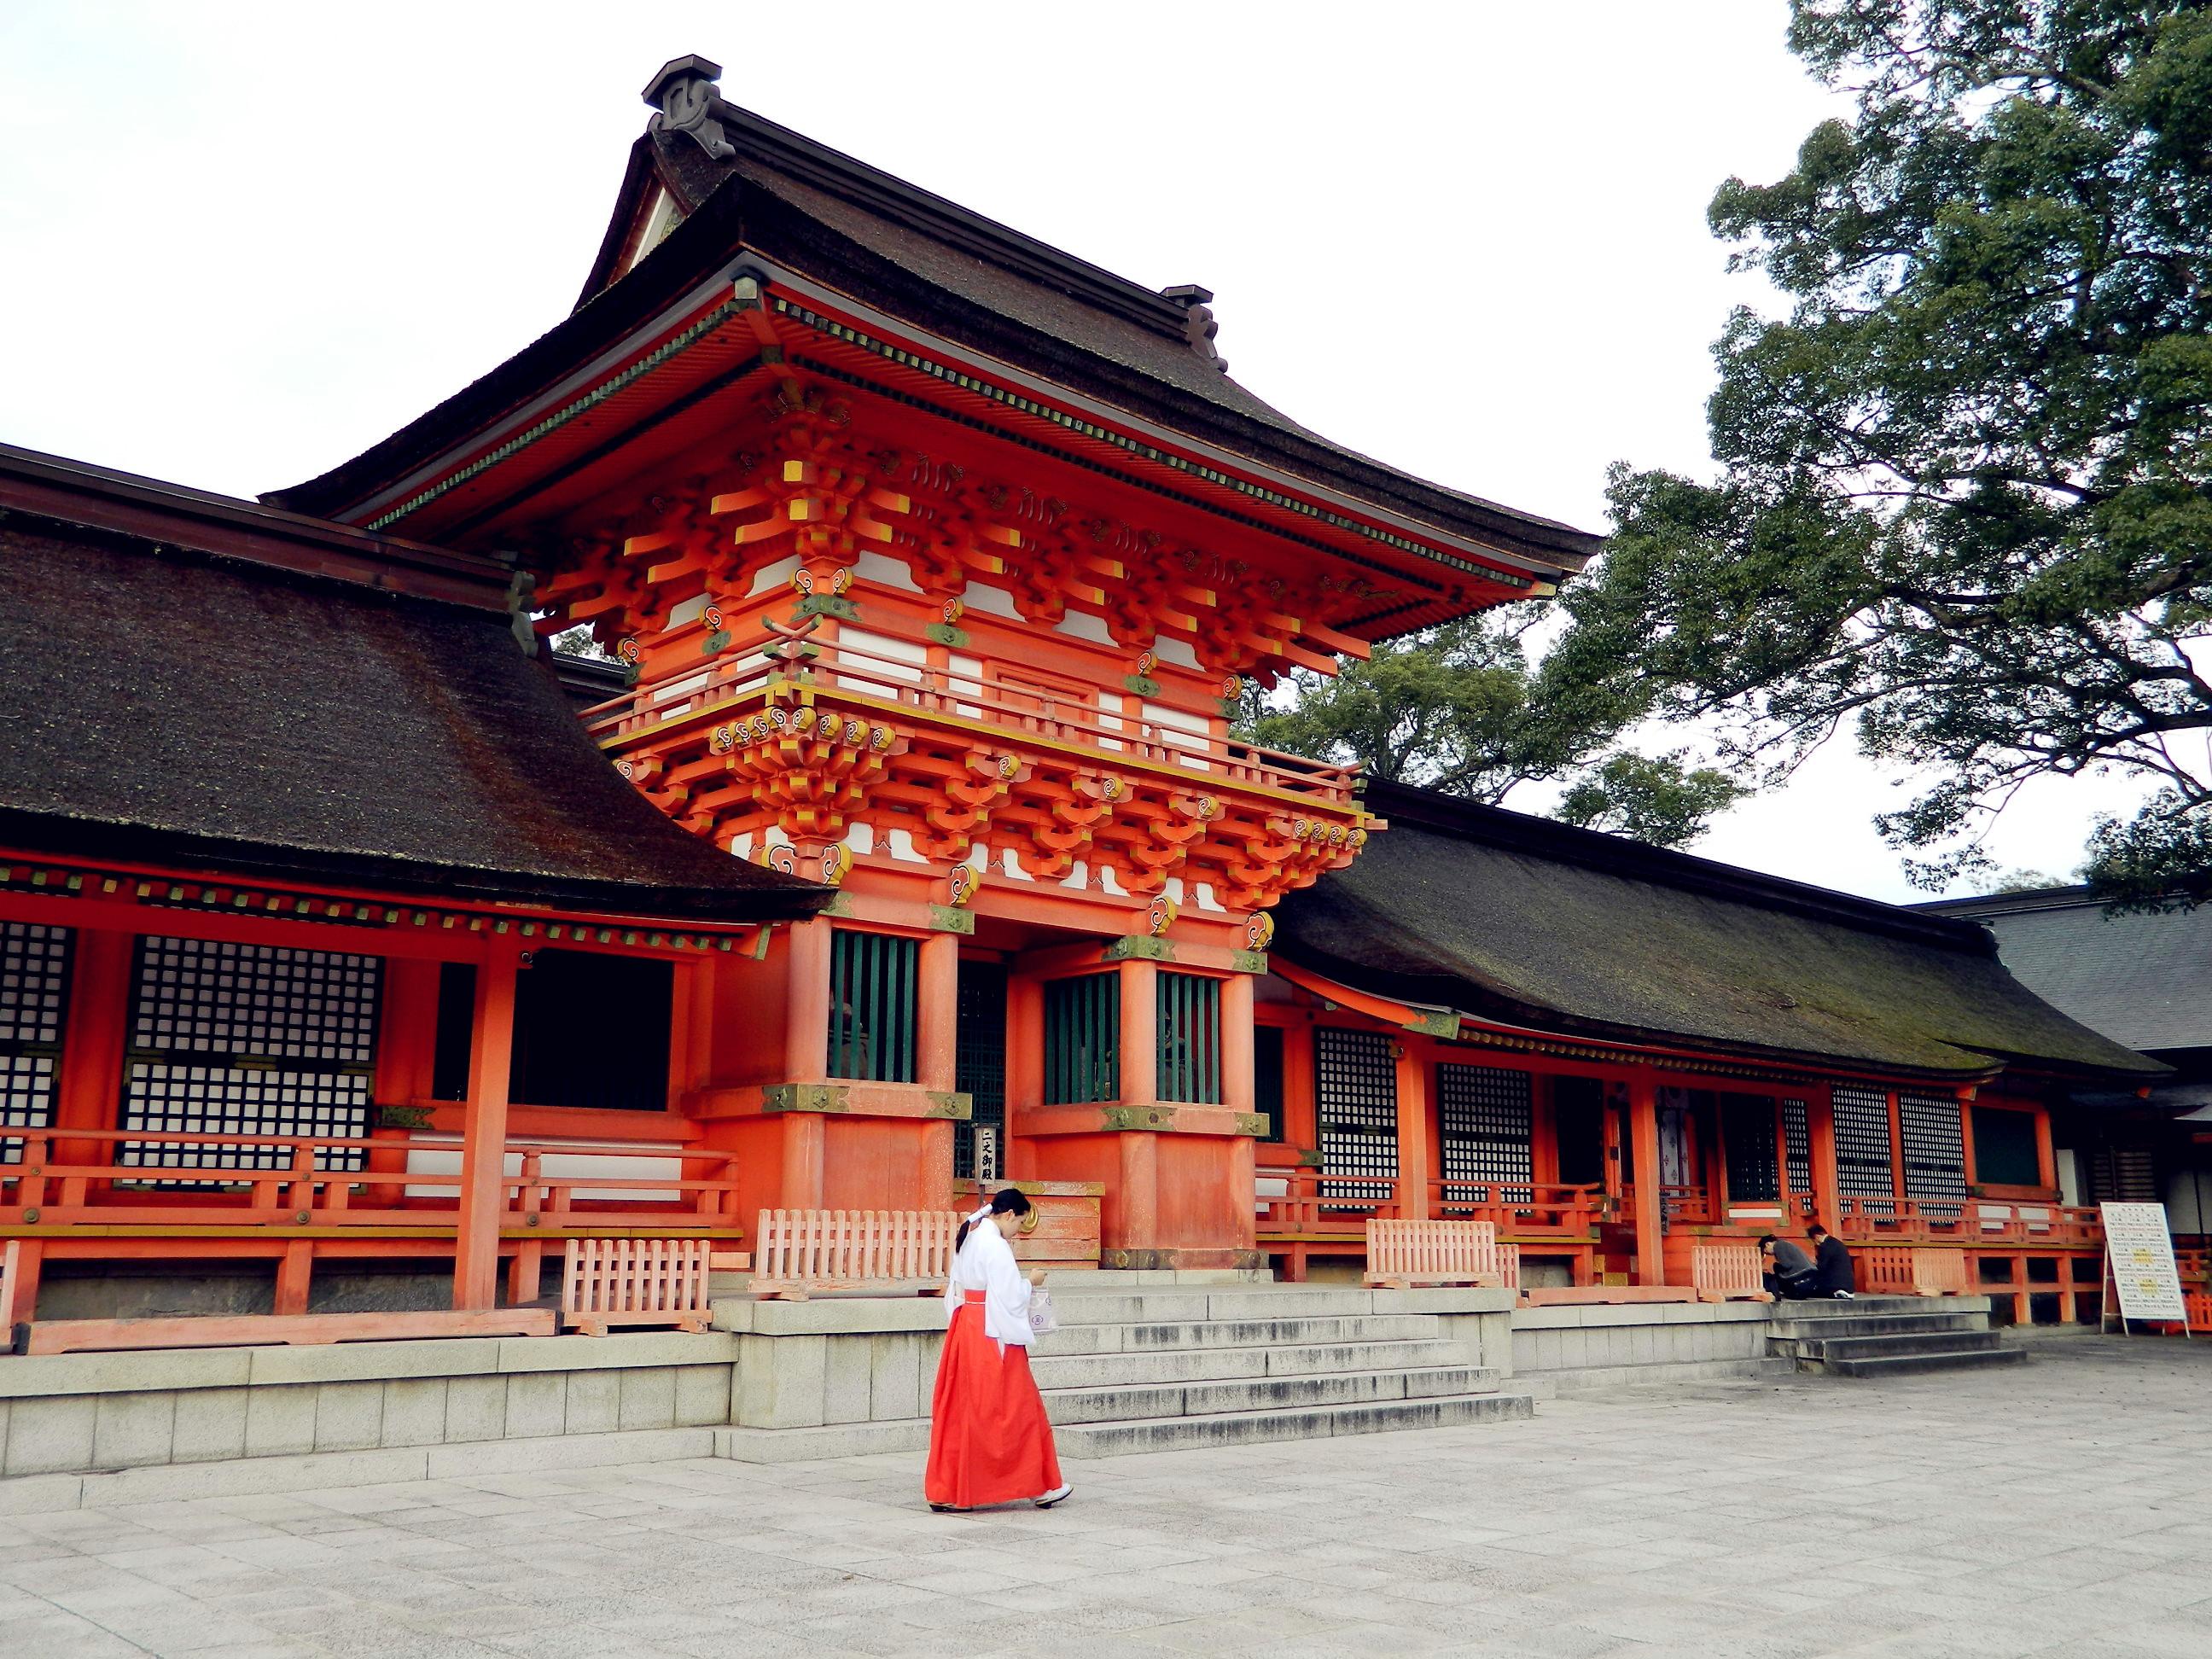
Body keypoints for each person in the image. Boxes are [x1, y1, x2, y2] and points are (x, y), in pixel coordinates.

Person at [925, 1187, 1073, 1513]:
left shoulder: (970, 1237)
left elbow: (959, 1290)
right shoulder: (995, 1245)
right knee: (1019, 1406)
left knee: (962, 1409)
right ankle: (1043, 1484)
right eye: (1019, 1223)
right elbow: (1010, 1296)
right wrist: (1031, 1281)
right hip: (993, 1332)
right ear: (1008, 1215)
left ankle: (947, 1488)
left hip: (967, 1327)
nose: (1017, 1231)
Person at [1760, 1232, 1819, 1299]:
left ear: (1767, 1244)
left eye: (1766, 1251)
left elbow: (1786, 1265)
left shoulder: (1778, 1246)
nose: (1768, 1254)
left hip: (1802, 1274)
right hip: (1811, 1274)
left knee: (1775, 1269)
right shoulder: (1785, 1243)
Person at [1807, 1224, 1856, 1298]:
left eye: (1813, 1240)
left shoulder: (1824, 1246)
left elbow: (1821, 1268)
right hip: (1848, 1285)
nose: (1814, 1243)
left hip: (1835, 1285)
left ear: (1817, 1237)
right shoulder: (1838, 1243)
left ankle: (1835, 1293)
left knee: (1809, 1292)